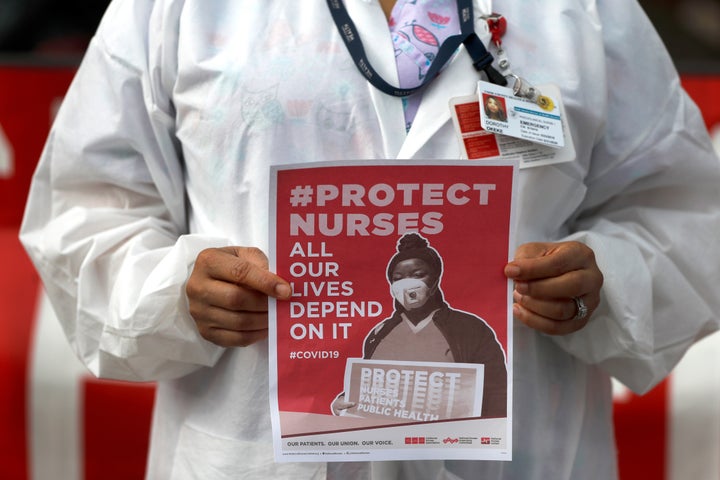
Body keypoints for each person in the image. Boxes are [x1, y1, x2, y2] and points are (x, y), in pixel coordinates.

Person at [18, 0, 720, 479]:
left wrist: (605, 279)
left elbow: (683, 208)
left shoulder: (584, 13)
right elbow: (87, 211)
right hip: (255, 453)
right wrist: (177, 295)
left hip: (523, 453)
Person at [332, 232, 507, 418]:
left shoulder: (471, 329)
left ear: (436, 279)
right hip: (391, 441)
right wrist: (344, 400)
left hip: (449, 441)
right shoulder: (380, 333)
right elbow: (369, 389)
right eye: (398, 278)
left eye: (418, 275)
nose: (407, 284)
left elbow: (497, 394)